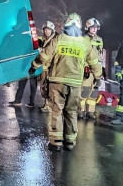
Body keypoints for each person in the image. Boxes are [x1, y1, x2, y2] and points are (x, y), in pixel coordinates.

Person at [30, 12, 102, 152]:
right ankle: (69, 141)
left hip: (57, 82)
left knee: (56, 111)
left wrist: (33, 65)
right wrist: (98, 77)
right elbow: (94, 63)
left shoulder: (58, 39)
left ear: (66, 23)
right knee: (71, 112)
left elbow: (44, 56)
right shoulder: (84, 43)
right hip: (75, 84)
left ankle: (56, 142)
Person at [78, 18, 104, 120]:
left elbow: (100, 54)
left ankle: (91, 111)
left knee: (94, 91)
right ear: (88, 27)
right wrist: (84, 66)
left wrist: (102, 68)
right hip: (86, 69)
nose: (94, 30)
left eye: (96, 28)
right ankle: (81, 110)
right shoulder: (83, 39)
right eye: (92, 27)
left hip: (97, 69)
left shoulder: (99, 39)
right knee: (85, 90)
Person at [38, 20, 56, 112]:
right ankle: (46, 104)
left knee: (49, 87)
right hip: (43, 67)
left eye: (48, 30)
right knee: (44, 86)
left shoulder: (54, 40)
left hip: (50, 68)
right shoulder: (44, 39)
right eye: (45, 30)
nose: (46, 31)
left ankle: (49, 106)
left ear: (52, 30)